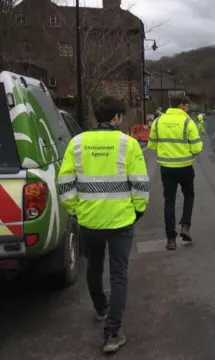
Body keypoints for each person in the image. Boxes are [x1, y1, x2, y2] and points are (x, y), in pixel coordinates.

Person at [58, 95, 150, 353]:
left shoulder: (76, 143)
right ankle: (113, 332)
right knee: (119, 274)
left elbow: (65, 183)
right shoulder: (128, 144)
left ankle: (101, 308)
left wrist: (75, 210)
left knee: (94, 268)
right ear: (116, 118)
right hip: (121, 220)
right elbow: (141, 184)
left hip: (89, 220)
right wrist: (138, 210)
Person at [148, 94, 203, 250]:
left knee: (169, 201)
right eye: (187, 106)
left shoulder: (158, 121)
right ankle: (185, 225)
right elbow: (198, 148)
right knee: (189, 195)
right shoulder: (188, 122)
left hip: (166, 168)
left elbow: (151, 146)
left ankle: (170, 239)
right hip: (185, 166)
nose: (188, 109)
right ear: (181, 105)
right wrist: (188, 152)